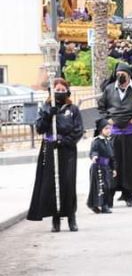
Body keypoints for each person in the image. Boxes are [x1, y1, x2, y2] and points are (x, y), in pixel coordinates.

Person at [28, 78, 84, 232]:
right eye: (57, 90)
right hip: (50, 149)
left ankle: (71, 217)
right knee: (52, 184)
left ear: (67, 91)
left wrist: (65, 141)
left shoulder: (72, 109)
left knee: (67, 182)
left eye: (62, 90)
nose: (59, 92)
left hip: (67, 150)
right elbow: (39, 128)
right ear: (51, 91)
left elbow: (79, 130)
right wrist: (48, 116)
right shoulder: (46, 107)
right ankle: (55, 219)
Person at [97, 62, 132, 207]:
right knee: (114, 162)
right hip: (114, 133)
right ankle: (111, 192)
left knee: (130, 163)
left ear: (129, 75)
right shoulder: (109, 89)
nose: (120, 77)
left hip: (131, 132)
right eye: (118, 74)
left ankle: (129, 194)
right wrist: (107, 119)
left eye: (123, 74)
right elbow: (101, 107)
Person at [87, 118, 117, 214]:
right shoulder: (97, 141)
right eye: (106, 129)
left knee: (107, 187)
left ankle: (98, 204)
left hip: (106, 168)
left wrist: (113, 169)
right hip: (98, 167)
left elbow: (112, 157)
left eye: (109, 128)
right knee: (100, 187)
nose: (109, 130)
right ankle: (102, 206)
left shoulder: (108, 141)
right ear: (101, 130)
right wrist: (94, 156)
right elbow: (93, 151)